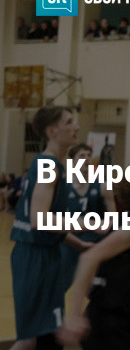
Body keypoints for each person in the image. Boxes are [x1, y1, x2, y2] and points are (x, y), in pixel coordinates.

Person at [58, 164, 130, 350]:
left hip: (110, 320)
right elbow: (89, 258)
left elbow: (100, 264)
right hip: (111, 325)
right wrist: (74, 316)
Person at [9, 105, 88, 350]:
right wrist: (87, 223)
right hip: (36, 257)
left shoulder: (50, 164)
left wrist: (77, 243)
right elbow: (39, 220)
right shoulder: (48, 166)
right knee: (44, 337)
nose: (76, 127)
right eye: (69, 122)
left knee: (36, 337)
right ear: (52, 131)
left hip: (40, 254)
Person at [60, 143, 116, 290]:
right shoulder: (63, 187)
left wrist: (107, 226)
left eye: (89, 155)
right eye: (82, 155)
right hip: (70, 242)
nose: (86, 158)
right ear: (72, 161)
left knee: (96, 290)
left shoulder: (103, 186)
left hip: (94, 244)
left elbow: (113, 218)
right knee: (60, 286)